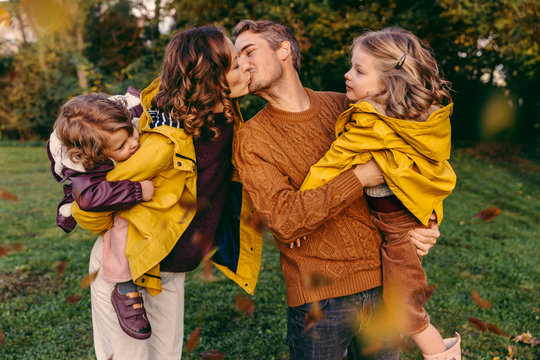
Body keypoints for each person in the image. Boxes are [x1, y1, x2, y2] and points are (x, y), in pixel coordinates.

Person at [232, 20, 440, 359]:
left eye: (249, 51)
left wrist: (426, 223)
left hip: (382, 284)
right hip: (318, 302)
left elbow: (414, 160)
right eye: (236, 58)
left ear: (284, 49)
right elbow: (285, 220)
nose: (241, 63)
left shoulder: (345, 107)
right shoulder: (251, 139)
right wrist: (359, 177)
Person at [69, 26, 262, 360]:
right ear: (209, 80)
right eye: (234, 64)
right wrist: (135, 194)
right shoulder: (164, 143)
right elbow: (87, 206)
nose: (245, 67)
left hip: (170, 271)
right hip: (129, 271)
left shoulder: (227, 118)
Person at [300, 28, 460, 359]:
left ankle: (443, 353)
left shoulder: (370, 122)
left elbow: (329, 165)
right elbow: (436, 173)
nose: (348, 74)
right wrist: (430, 215)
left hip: (399, 231)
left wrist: (304, 209)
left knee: (405, 307)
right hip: (400, 222)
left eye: (359, 70)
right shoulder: (421, 122)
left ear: (389, 82)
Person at [47, 92, 156, 340]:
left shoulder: (124, 118)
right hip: (101, 195)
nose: (133, 143)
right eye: (121, 146)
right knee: (120, 226)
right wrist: (137, 190)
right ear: (99, 155)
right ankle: (125, 289)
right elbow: (89, 197)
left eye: (131, 133)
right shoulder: (86, 163)